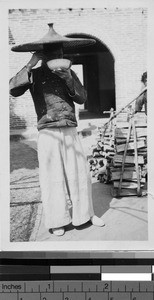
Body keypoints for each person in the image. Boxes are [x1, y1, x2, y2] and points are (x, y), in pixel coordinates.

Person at [9, 24, 105, 236]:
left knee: (79, 174)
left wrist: (69, 80)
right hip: (48, 131)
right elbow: (13, 89)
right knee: (53, 177)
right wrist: (30, 62)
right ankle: (57, 220)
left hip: (70, 129)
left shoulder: (69, 73)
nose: (57, 55)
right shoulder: (34, 74)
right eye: (52, 52)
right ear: (43, 54)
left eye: (60, 52)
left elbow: (82, 98)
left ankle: (85, 215)